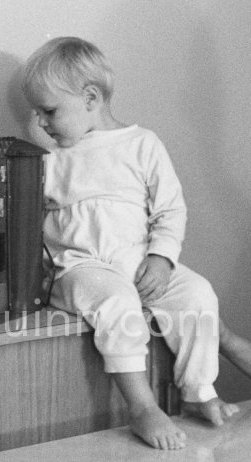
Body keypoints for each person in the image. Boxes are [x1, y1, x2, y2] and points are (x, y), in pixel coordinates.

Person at [22, 36, 242, 450]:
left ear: (90, 98)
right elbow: (31, 224)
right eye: (36, 113)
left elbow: (170, 211)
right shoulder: (49, 161)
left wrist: (160, 259)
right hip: (81, 267)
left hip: (138, 260)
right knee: (118, 304)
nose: (40, 123)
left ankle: (199, 390)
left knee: (198, 294)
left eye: (48, 111)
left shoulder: (143, 144)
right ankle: (141, 405)